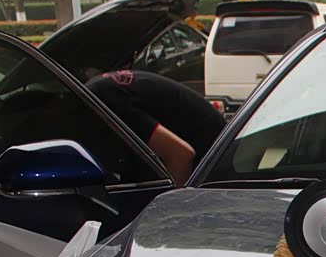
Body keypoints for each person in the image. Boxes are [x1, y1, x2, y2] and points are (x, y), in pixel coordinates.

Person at [85, 69, 225, 186]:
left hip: (213, 151)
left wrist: (169, 207)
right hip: (192, 142)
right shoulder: (93, 93)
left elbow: (182, 155)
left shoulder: (103, 104)